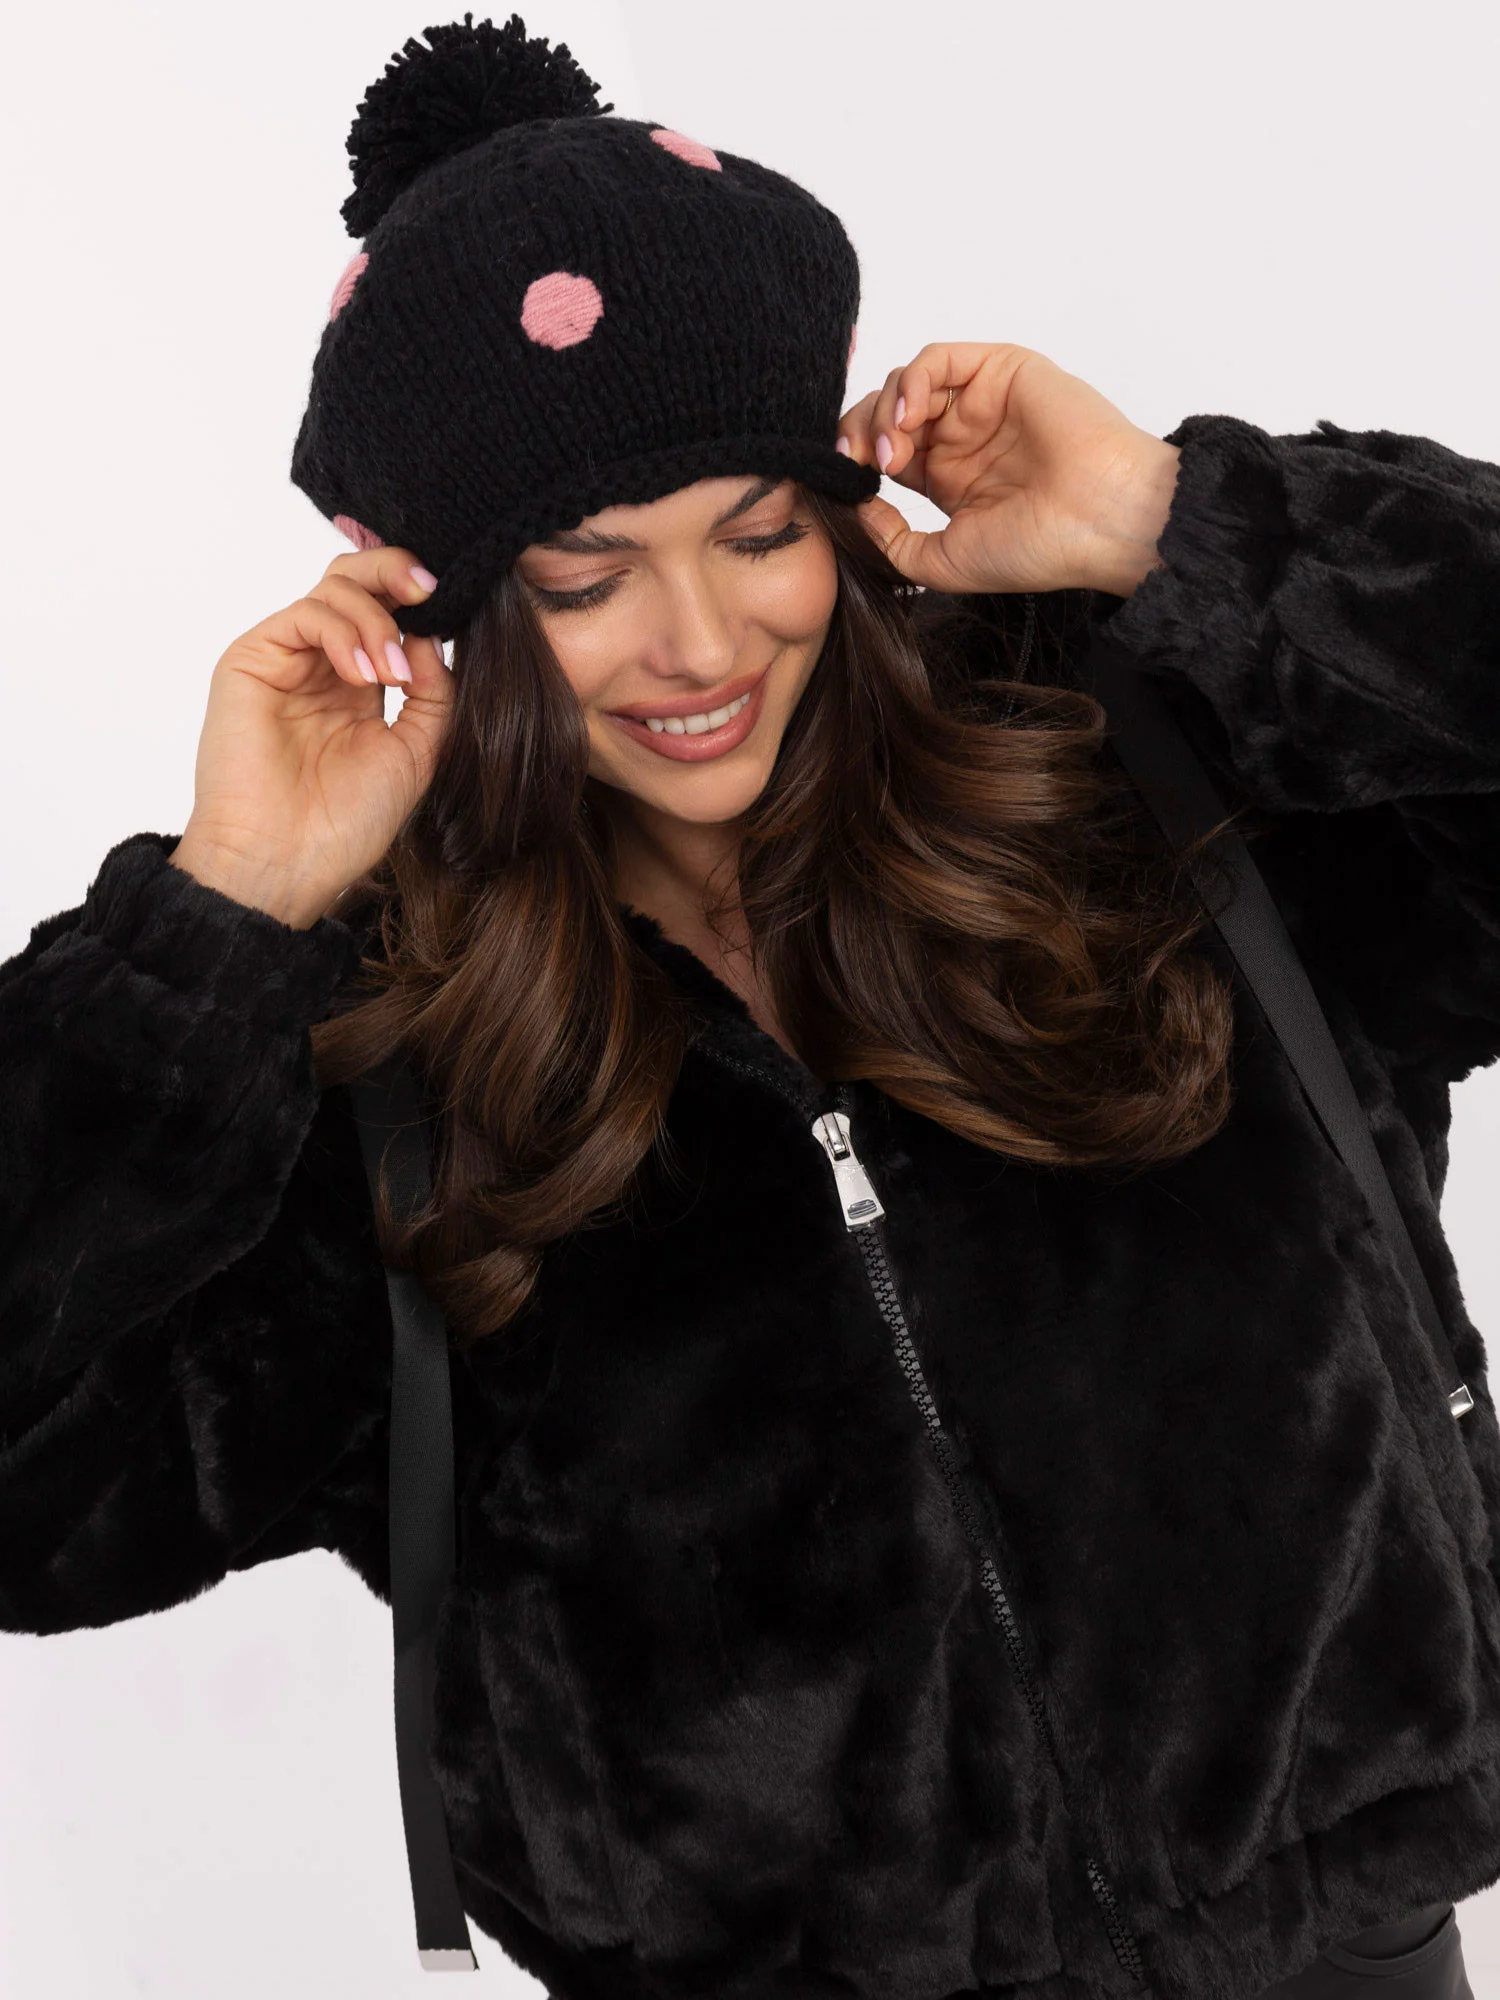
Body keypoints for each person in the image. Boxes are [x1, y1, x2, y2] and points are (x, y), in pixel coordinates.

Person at [2, 14, 1497, 2000]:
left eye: (758, 531)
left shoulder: (1142, 780)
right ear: (442, 609)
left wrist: (1185, 525)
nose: (697, 644)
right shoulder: (376, 1053)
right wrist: (215, 925)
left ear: (837, 506)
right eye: (583, 577)